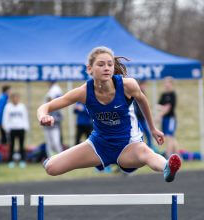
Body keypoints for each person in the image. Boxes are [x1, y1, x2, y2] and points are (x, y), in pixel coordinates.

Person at [37, 46, 181, 181]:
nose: (106, 68)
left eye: (109, 64)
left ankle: (167, 167)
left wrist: (153, 128)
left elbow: (142, 101)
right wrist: (43, 116)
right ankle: (52, 161)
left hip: (129, 145)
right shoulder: (84, 92)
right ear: (89, 69)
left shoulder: (127, 85)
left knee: (147, 155)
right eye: (100, 64)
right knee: (51, 168)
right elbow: (46, 106)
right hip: (99, 145)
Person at [2, 92, 29, 168]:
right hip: (12, 129)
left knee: (21, 146)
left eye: (17, 98)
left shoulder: (22, 106)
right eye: (14, 98)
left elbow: (25, 117)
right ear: (12, 99)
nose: (15, 99)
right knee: (11, 146)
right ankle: (10, 161)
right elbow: (5, 118)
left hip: (21, 128)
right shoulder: (8, 107)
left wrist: (26, 127)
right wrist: (6, 128)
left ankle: (22, 161)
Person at [158, 77, 179, 157]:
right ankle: (177, 155)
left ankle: (169, 155)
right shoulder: (163, 95)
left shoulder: (172, 95)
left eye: (168, 83)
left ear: (171, 84)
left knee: (170, 137)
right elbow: (158, 105)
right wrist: (162, 109)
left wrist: (161, 112)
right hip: (164, 119)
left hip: (170, 118)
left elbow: (168, 108)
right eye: (165, 83)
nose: (166, 85)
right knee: (169, 137)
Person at [133, 80, 154, 149]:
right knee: (140, 134)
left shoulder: (143, 93)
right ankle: (141, 148)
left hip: (143, 118)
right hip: (137, 118)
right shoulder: (135, 93)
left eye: (145, 85)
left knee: (148, 134)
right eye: (143, 85)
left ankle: (150, 148)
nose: (144, 87)